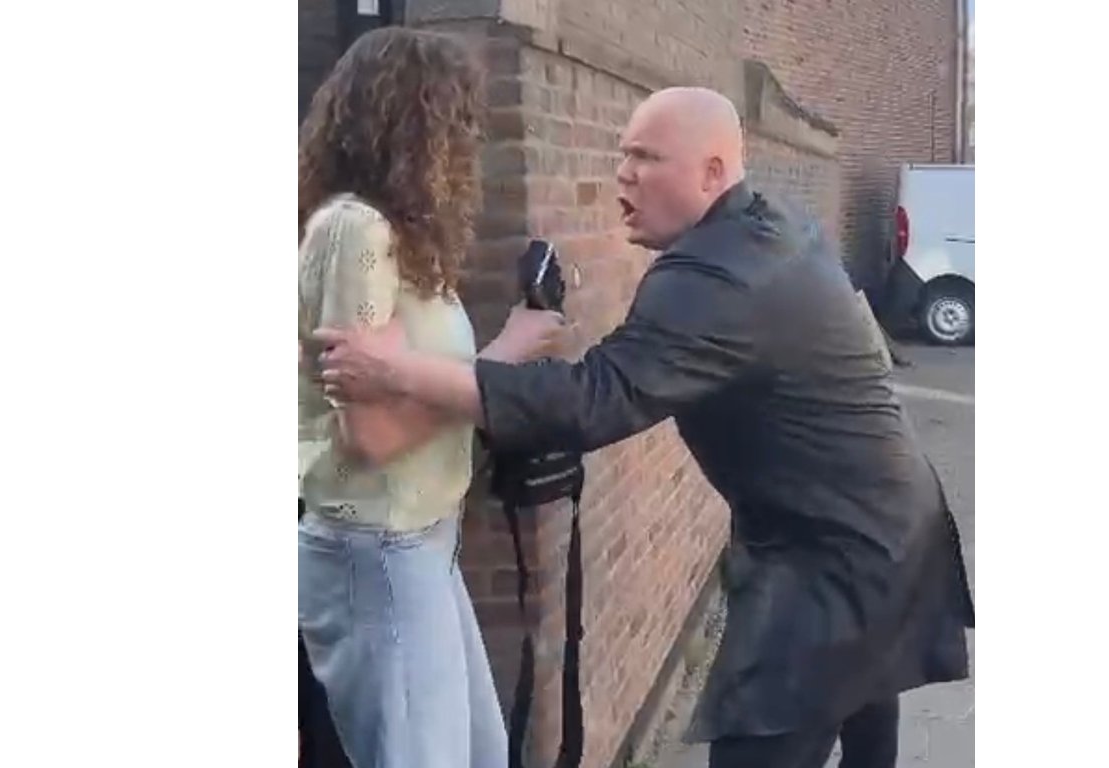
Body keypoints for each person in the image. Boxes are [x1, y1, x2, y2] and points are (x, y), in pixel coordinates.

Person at [314, 87, 974, 768]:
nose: (622, 174)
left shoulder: (720, 277)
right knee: (867, 713)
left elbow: (593, 401)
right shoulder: (770, 225)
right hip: (891, 524)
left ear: (712, 173)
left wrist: (397, 372)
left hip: (834, 562)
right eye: (623, 154)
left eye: (646, 158)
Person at [296, 27, 562, 768]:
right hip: (379, 547)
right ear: (411, 125)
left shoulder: (398, 239)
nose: (468, 140)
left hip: (421, 541)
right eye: (456, 119)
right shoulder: (355, 233)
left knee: (482, 754)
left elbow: (396, 391)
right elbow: (371, 436)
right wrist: (503, 355)